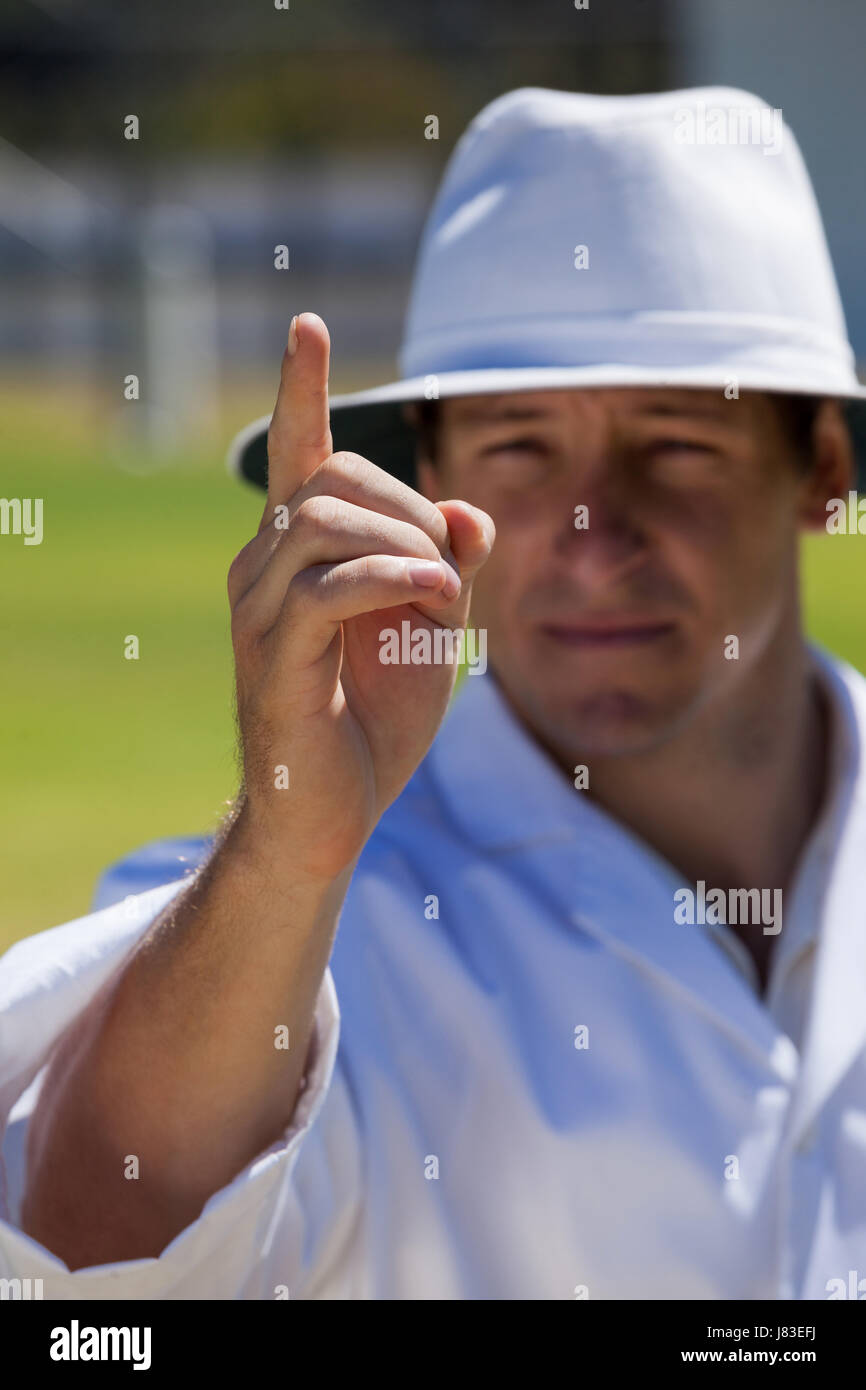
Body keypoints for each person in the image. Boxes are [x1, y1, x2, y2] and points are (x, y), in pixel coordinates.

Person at [3, 84, 866, 1301]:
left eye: (677, 445)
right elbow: (86, 1263)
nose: (589, 533)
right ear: (428, 473)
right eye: (519, 448)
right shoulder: (303, 917)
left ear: (818, 468)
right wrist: (285, 852)